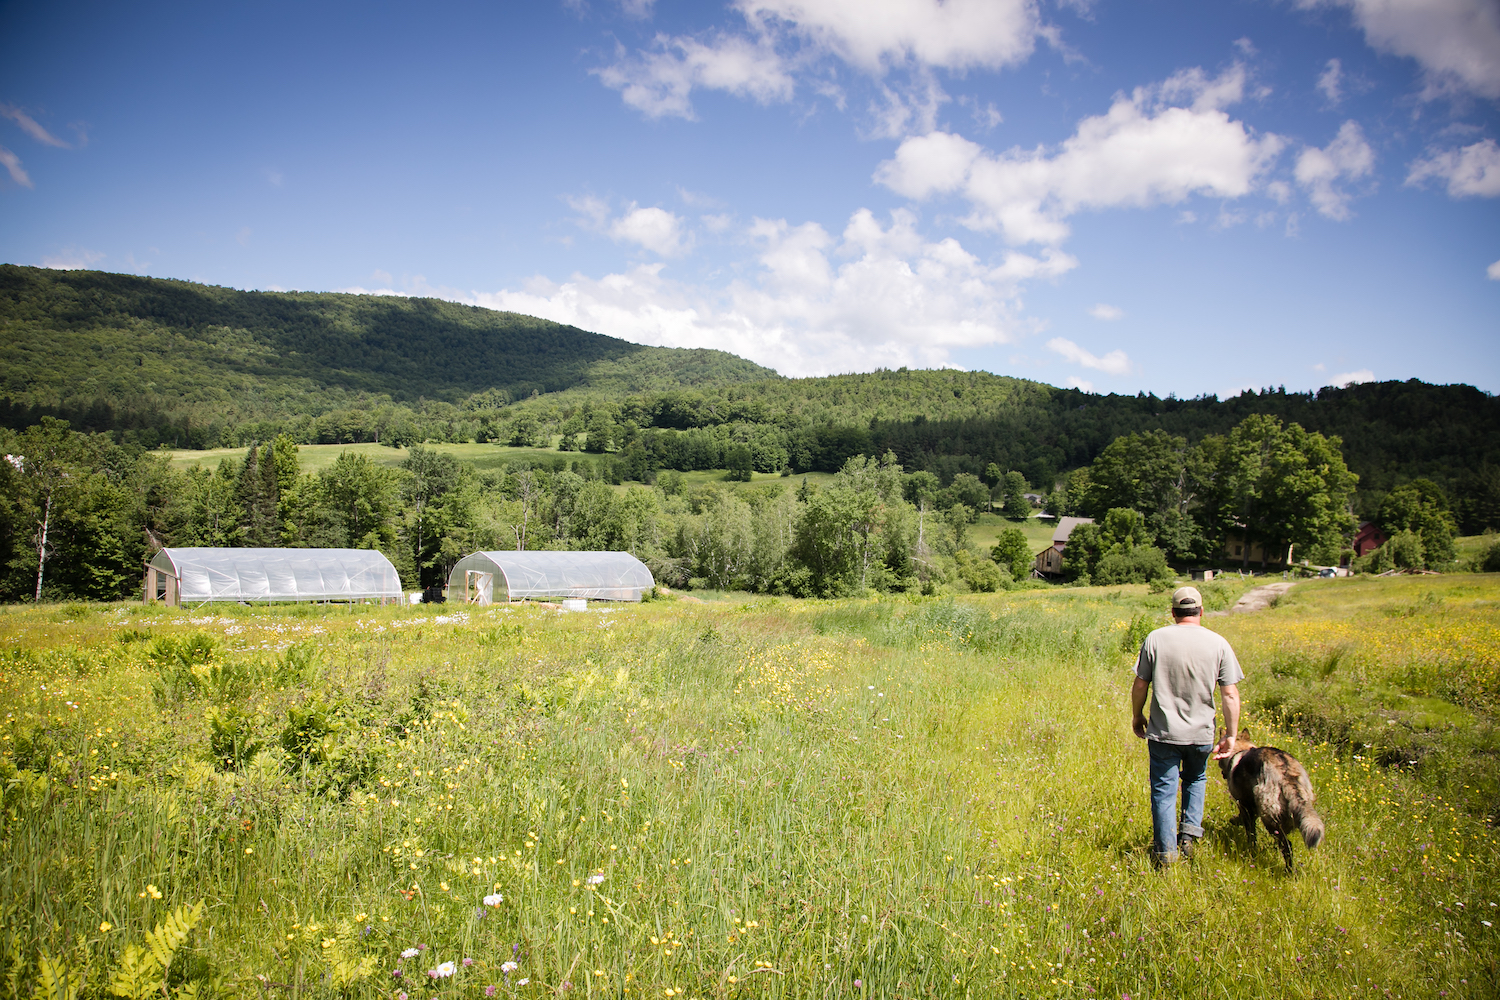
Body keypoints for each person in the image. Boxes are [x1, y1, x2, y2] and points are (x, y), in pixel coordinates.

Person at [1129, 585, 1242, 864]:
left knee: (1163, 789)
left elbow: (1141, 683)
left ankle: (1166, 853)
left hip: (1164, 733)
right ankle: (1188, 838)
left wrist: (1137, 715)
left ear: (1173, 612)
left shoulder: (1155, 638)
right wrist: (1231, 734)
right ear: (1201, 611)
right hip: (1201, 733)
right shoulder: (1218, 643)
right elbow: (1229, 694)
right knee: (1196, 779)